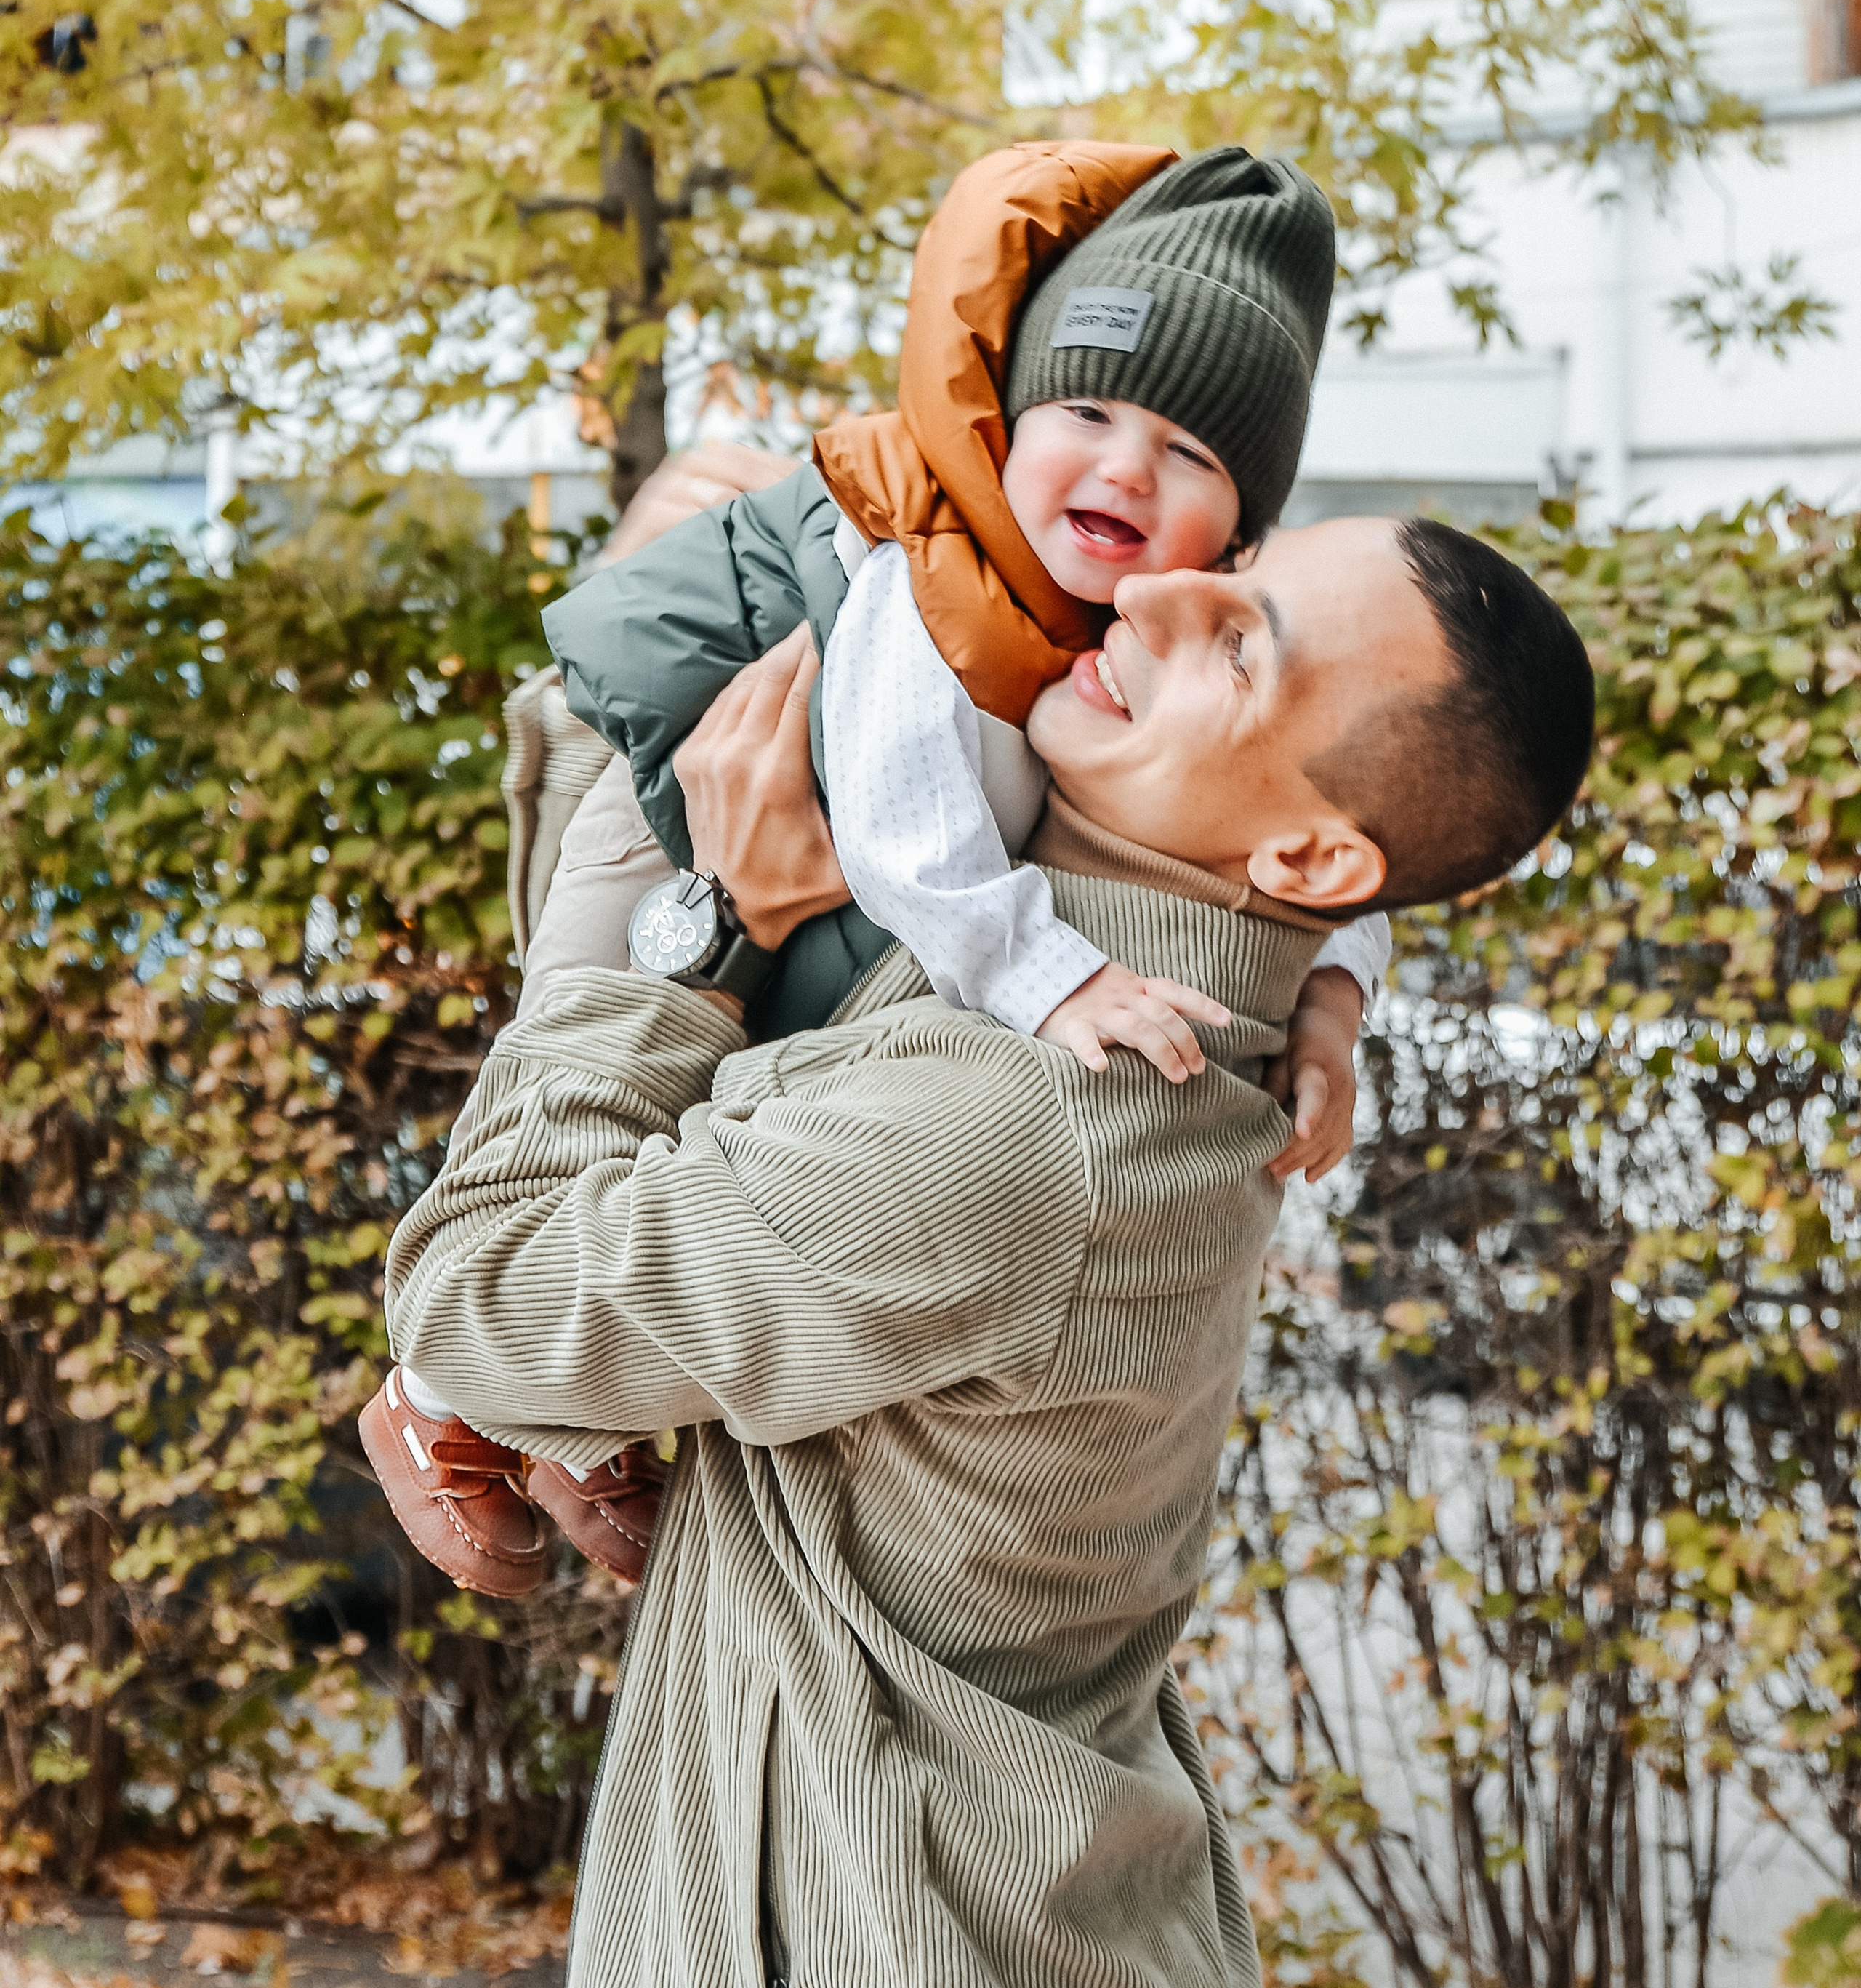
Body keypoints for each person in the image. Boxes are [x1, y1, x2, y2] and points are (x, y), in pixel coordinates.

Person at [381, 508, 1593, 1988]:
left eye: (1238, 635)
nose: (1150, 588)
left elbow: (481, 1304)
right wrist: (1344, 958)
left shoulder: (1014, 1118)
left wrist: (701, 930)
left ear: (1304, 848)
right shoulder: (1152, 996)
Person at [361, 139, 1388, 1592]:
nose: (1120, 468)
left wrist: (1337, 992)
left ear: (1245, 522)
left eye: (1190, 454)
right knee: (593, 991)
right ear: (1005, 413)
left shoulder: (1157, 617)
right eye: (1081, 409)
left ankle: (575, 1420)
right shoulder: (935, 568)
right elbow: (909, 830)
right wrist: (1053, 981)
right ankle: (446, 1395)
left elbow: (1335, 806)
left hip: (844, 871)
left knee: (730, 1129)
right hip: (678, 780)